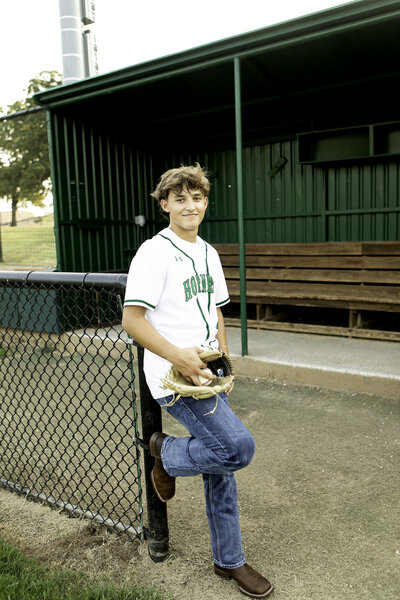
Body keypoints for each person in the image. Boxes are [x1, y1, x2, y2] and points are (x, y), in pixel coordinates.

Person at [122, 164, 273, 598]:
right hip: (174, 377)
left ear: (206, 203)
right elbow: (132, 319)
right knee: (236, 448)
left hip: (208, 373)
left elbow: (218, 312)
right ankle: (164, 453)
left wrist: (223, 364)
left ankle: (230, 561)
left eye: (198, 197)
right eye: (180, 198)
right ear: (165, 204)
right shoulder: (154, 252)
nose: (191, 205)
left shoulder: (208, 251)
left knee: (219, 464)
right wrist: (179, 357)